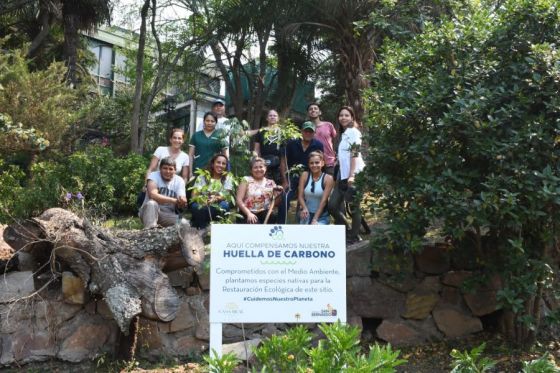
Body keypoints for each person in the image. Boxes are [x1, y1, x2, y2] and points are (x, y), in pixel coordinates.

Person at [328, 106, 366, 244]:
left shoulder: (354, 132)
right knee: (332, 206)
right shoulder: (344, 134)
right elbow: (344, 155)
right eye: (341, 115)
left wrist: (352, 175)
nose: (343, 117)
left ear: (352, 117)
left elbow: (355, 153)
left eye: (346, 115)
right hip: (342, 175)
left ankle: (353, 236)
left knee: (355, 207)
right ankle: (349, 229)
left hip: (354, 174)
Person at [278, 121, 324, 224]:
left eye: (310, 132)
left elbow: (319, 163)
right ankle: (281, 225)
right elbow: (283, 161)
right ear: (301, 132)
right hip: (291, 177)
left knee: (308, 200)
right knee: (285, 197)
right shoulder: (291, 143)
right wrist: (284, 181)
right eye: (306, 131)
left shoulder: (318, 145)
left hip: (309, 177)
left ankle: (304, 224)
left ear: (314, 133)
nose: (308, 133)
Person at [139, 157, 188, 229]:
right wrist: (174, 200)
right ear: (160, 169)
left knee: (185, 223)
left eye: (171, 169)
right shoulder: (153, 175)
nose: (168, 171)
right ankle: (150, 231)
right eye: (165, 168)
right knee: (152, 203)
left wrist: (182, 201)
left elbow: (182, 198)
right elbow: (153, 195)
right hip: (149, 212)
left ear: (175, 170)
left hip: (167, 215)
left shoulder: (179, 181)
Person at [190, 154, 234, 229]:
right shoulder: (203, 176)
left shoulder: (228, 177)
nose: (220, 165)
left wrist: (216, 198)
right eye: (218, 162)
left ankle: (219, 229)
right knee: (196, 206)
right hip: (203, 202)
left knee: (224, 206)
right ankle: (201, 229)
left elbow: (226, 194)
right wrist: (203, 201)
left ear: (226, 166)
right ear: (213, 164)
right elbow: (194, 195)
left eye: (223, 163)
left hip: (218, 203)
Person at [236, 157, 283, 224]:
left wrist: (279, 194)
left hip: (264, 213)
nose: (258, 169)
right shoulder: (246, 180)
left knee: (273, 216)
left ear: (265, 168)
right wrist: (249, 214)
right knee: (254, 222)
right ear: (251, 170)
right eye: (255, 167)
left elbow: (275, 203)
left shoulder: (271, 183)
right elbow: (239, 200)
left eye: (261, 167)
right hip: (247, 212)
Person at [298, 151, 334, 225]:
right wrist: (304, 208)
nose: (314, 165)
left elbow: (323, 201)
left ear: (322, 163)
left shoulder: (328, 179)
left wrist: (315, 219)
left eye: (317, 162)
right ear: (308, 164)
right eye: (311, 163)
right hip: (306, 213)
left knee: (315, 231)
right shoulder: (304, 175)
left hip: (321, 216)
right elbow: (300, 196)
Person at [189, 112, 229, 179]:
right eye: (207, 120)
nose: (209, 123)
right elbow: (190, 155)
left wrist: (226, 171)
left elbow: (226, 156)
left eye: (212, 121)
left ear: (216, 123)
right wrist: (190, 172)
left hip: (215, 172)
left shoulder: (220, 136)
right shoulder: (196, 135)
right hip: (198, 169)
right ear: (204, 121)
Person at [253, 109, 283, 184]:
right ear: (267, 118)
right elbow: (256, 149)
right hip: (264, 163)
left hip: (279, 164)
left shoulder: (283, 132)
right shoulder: (261, 132)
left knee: (277, 186)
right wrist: (256, 160)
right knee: (264, 185)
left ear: (278, 118)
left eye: (275, 115)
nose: (272, 117)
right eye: (270, 115)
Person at [307, 103, 337, 175]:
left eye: (315, 108)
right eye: (311, 109)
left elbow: (335, 139)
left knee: (330, 184)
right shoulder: (306, 128)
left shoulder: (328, 125)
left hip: (329, 162)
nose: (313, 110)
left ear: (320, 112)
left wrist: (336, 155)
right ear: (308, 113)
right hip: (314, 163)